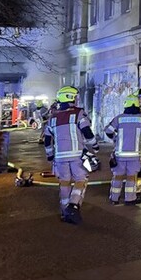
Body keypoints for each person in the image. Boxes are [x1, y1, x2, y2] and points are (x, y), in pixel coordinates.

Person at [43, 85, 99, 224]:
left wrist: (50, 155)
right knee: (81, 180)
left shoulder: (52, 118)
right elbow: (87, 132)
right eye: (75, 97)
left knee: (64, 183)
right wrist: (95, 145)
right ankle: (73, 206)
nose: (76, 100)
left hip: (60, 158)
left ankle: (64, 212)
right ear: (70, 98)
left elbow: (47, 140)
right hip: (76, 156)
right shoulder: (79, 114)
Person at [104, 94, 141, 205]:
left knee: (118, 177)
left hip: (120, 155)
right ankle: (130, 199)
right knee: (131, 178)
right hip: (134, 155)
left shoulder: (119, 118)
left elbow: (108, 131)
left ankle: (114, 199)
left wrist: (115, 138)